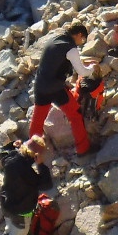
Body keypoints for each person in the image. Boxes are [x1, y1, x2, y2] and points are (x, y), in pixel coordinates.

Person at [28, 23, 97, 155]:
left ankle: (30, 153)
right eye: (82, 39)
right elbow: (82, 71)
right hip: (55, 87)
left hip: (40, 85)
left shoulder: (55, 38)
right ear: (78, 35)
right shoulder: (70, 48)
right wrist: (93, 68)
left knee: (37, 121)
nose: (80, 43)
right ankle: (83, 149)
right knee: (75, 114)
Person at [0, 135, 53, 235]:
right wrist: (41, 165)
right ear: (35, 156)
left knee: (8, 231)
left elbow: (2, 153)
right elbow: (46, 184)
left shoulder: (11, 158)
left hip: (6, 204)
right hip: (21, 212)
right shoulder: (27, 171)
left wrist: (11, 145)